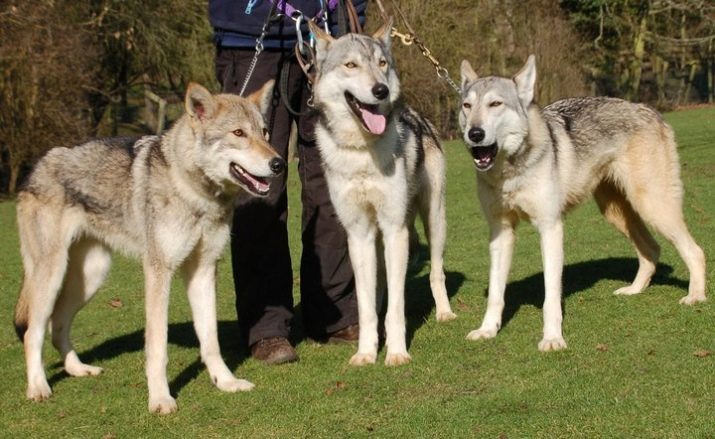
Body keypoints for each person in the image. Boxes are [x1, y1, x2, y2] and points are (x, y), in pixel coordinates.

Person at [209, 0, 367, 364]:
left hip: (327, 42)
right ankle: (266, 327)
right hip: (251, 38)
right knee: (259, 187)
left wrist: (352, 20)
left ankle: (335, 311)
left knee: (334, 182)